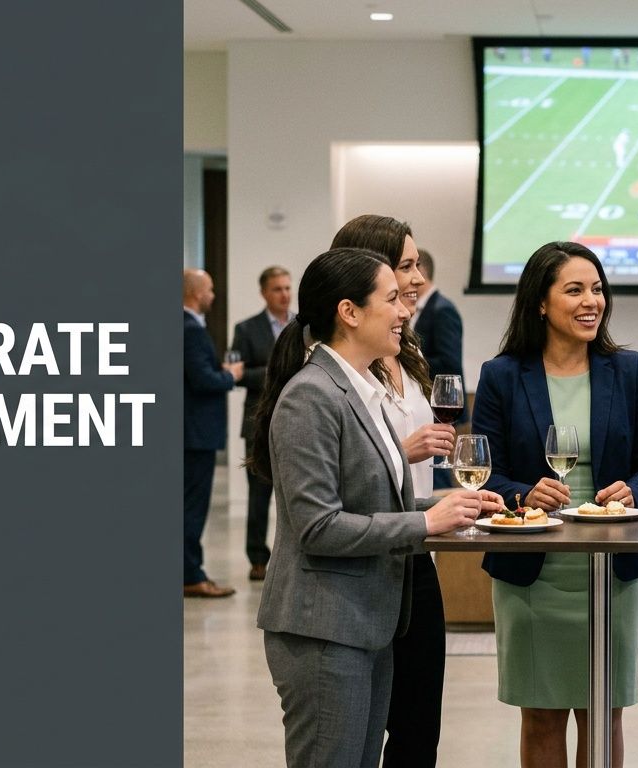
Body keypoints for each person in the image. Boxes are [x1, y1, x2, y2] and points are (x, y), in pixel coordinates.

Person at [249, 247, 499, 768]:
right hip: (324, 629)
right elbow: (318, 526)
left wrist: (451, 504)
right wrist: (426, 521)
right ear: (349, 311)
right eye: (391, 299)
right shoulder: (311, 395)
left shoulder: (364, 389)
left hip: (370, 623)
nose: (405, 310)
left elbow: (379, 497)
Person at [472, 241, 638, 768]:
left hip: (612, 571)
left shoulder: (628, 370)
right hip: (532, 575)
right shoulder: (502, 375)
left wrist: (635, 492)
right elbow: (485, 471)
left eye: (598, 289)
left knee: (604, 713)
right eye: (575, 289)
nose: (592, 301)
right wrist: (521, 495)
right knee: (539, 714)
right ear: (540, 301)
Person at [330, 216, 459, 768]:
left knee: (418, 729)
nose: (416, 276)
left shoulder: (408, 351)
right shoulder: (333, 368)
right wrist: (401, 452)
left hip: (417, 555)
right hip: (363, 563)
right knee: (353, 737)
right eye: (405, 266)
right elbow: (324, 484)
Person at [230, 265, 294, 581]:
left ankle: (292, 555)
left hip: (297, 419)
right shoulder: (246, 329)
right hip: (258, 422)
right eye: (277, 289)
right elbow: (238, 375)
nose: (284, 294)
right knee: (258, 495)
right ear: (264, 293)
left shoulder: (302, 325)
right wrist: (277, 370)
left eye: (287, 287)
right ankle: (257, 558)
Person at [183, 268, 243, 598]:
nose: (213, 295)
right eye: (209, 289)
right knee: (191, 507)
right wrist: (230, 375)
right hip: (194, 434)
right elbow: (202, 380)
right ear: (195, 293)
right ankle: (191, 575)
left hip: (189, 433)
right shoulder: (190, 328)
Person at [413, 247, 465, 422]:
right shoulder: (417, 308)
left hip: (443, 406)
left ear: (420, 271)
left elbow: (450, 363)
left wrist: (409, 360)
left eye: (408, 268)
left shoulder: (443, 310)